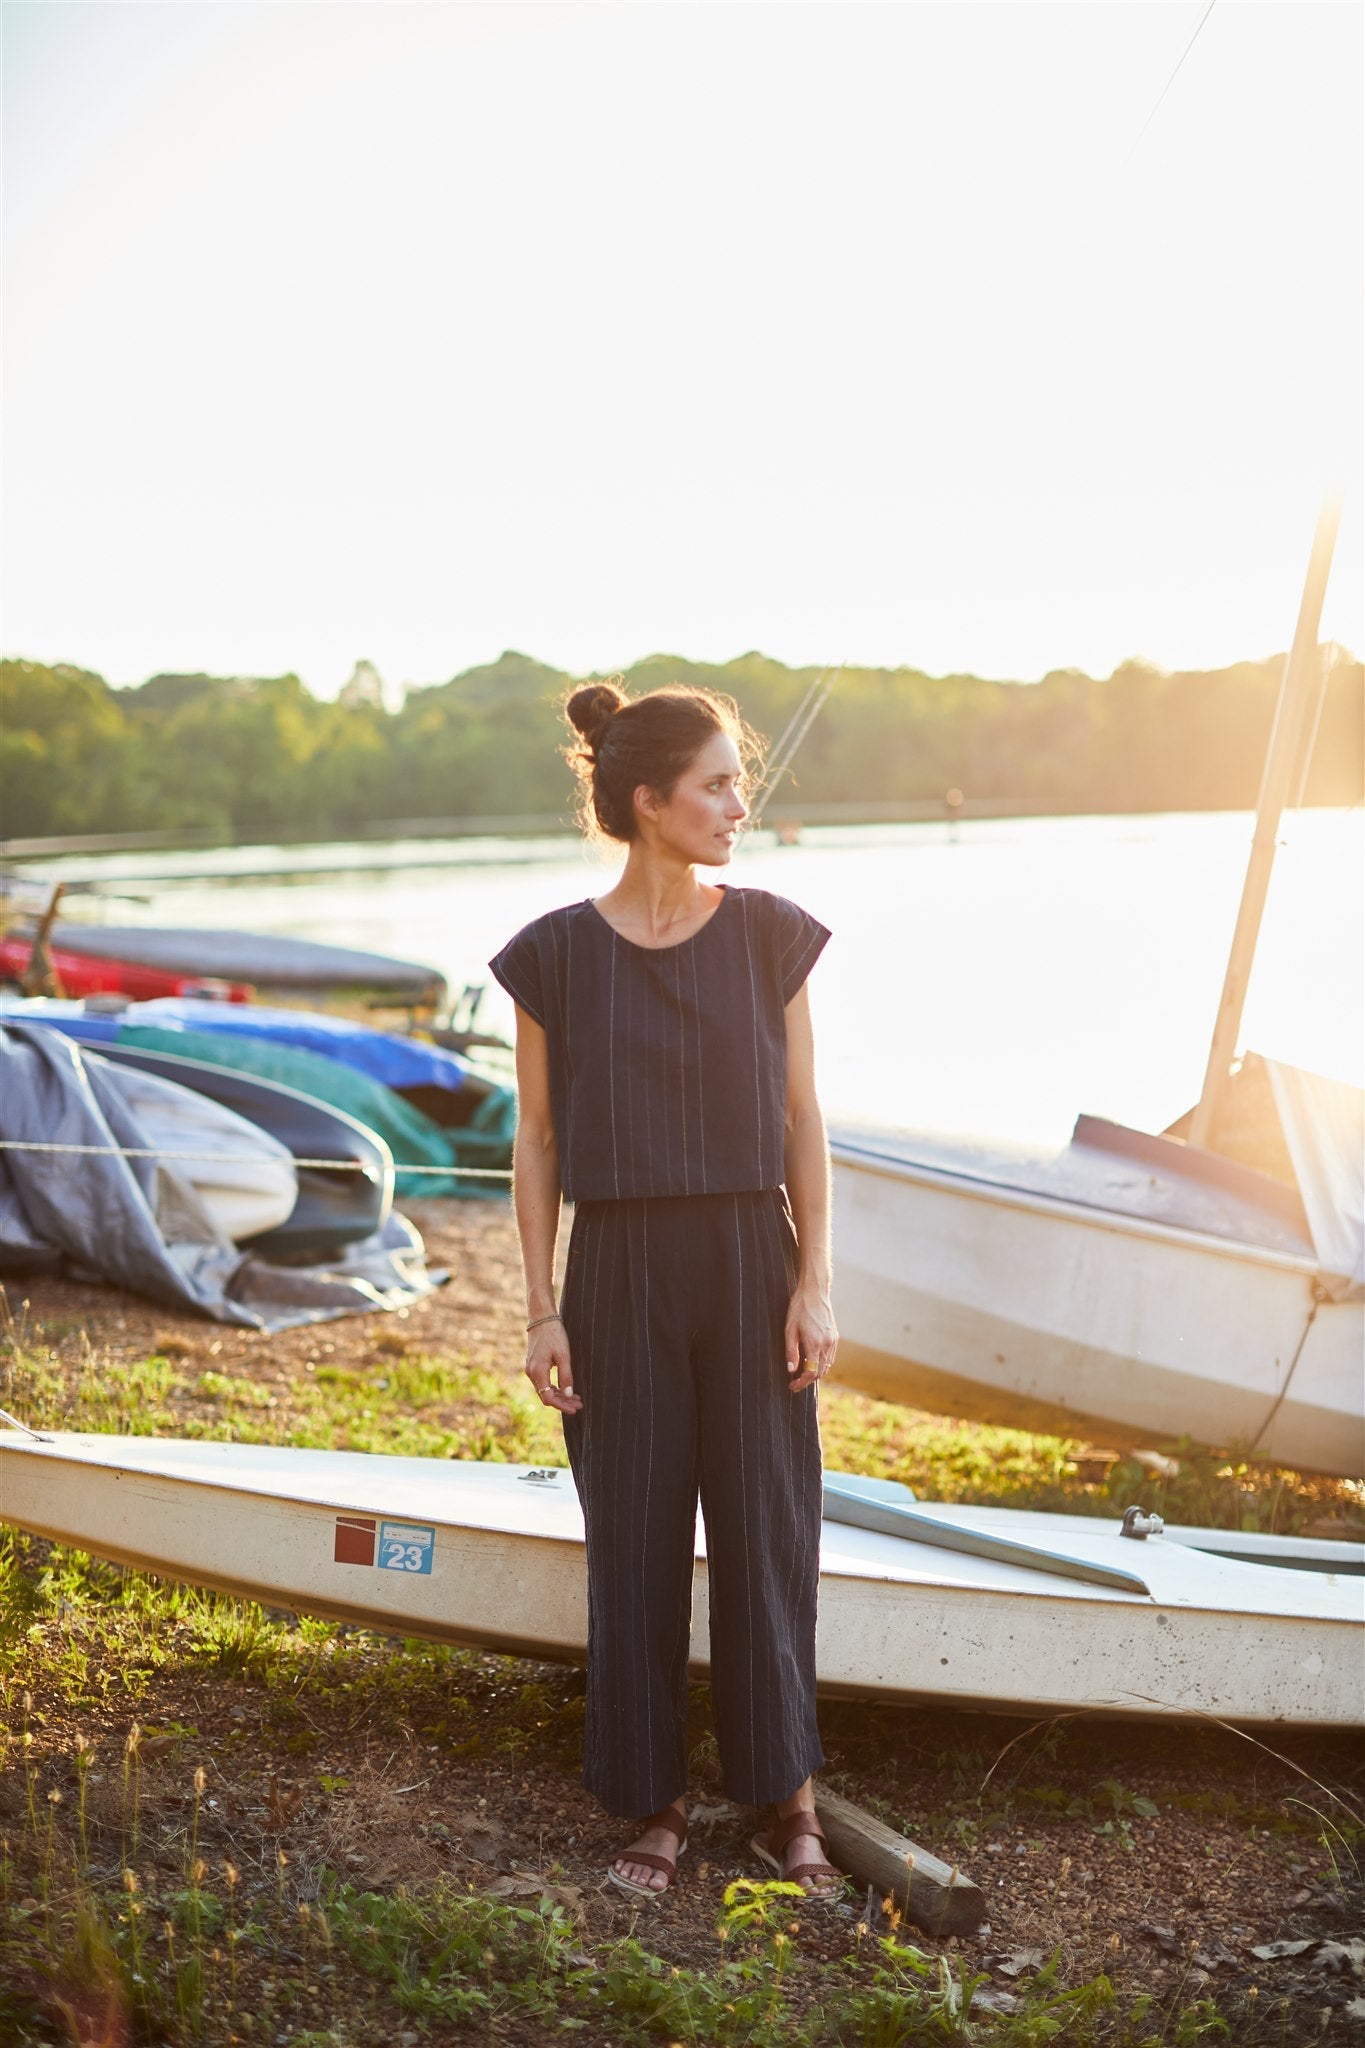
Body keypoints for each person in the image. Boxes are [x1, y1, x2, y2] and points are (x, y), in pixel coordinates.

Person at [488, 677, 842, 1901]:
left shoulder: (770, 932)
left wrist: (814, 1281)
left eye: (737, 781)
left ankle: (784, 1788)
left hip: (751, 1254)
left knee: (766, 1531)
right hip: (620, 1265)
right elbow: (535, 1141)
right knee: (631, 1537)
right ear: (650, 802)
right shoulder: (552, 957)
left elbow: (804, 1116)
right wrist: (541, 1305)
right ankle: (653, 1795)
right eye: (717, 785)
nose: (739, 804)